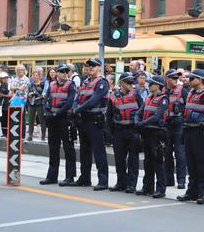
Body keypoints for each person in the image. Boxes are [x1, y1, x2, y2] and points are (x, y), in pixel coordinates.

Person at [177, 69, 204, 205]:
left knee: (202, 164)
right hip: (189, 131)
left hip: (201, 133)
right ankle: (191, 192)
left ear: (200, 80)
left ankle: (203, 193)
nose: (189, 80)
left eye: (192, 78)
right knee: (191, 163)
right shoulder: (191, 93)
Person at [71, 58, 109, 190]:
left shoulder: (102, 82)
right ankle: (85, 178)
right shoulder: (85, 82)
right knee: (84, 151)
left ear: (99, 67)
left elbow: (93, 100)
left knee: (99, 151)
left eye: (93, 65)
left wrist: (77, 110)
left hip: (95, 120)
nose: (90, 68)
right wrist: (75, 109)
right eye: (89, 66)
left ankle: (103, 181)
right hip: (84, 120)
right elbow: (78, 98)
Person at [40, 64, 77, 186]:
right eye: (62, 72)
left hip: (64, 119)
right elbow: (47, 101)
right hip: (53, 120)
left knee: (68, 148)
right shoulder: (52, 85)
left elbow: (69, 103)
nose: (65, 74)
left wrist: (56, 114)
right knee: (53, 148)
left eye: (67, 72)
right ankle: (52, 177)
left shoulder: (71, 85)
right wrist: (47, 112)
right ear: (57, 73)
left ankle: (70, 177)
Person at [106, 72, 142, 193]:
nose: (131, 84)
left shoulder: (136, 94)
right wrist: (109, 134)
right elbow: (109, 115)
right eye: (128, 82)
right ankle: (121, 182)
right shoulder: (113, 96)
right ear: (121, 83)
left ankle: (131, 185)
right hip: (118, 131)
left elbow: (141, 111)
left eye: (132, 82)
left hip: (132, 130)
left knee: (133, 159)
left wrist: (140, 131)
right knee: (119, 159)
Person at [135, 75, 168, 199]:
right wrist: (136, 120)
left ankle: (160, 189)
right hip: (147, 133)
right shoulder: (149, 97)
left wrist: (140, 123)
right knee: (147, 161)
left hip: (157, 133)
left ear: (158, 86)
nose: (149, 85)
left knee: (158, 161)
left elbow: (156, 117)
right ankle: (147, 187)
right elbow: (139, 112)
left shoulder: (164, 99)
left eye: (152, 84)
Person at [164, 69, 188, 190]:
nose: (176, 80)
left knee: (180, 154)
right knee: (167, 153)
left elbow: (188, 108)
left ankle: (181, 181)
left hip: (178, 125)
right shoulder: (163, 91)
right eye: (173, 78)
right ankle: (169, 180)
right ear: (167, 79)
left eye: (176, 78)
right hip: (166, 125)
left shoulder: (183, 91)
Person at [0, 72, 11, 137]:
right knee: (2, 120)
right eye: (3, 78)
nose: (5, 79)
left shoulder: (10, 85)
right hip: (1, 105)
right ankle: (4, 133)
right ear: (1, 79)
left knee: (8, 119)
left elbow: (11, 95)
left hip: (8, 104)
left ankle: (8, 133)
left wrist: (3, 95)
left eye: (6, 78)